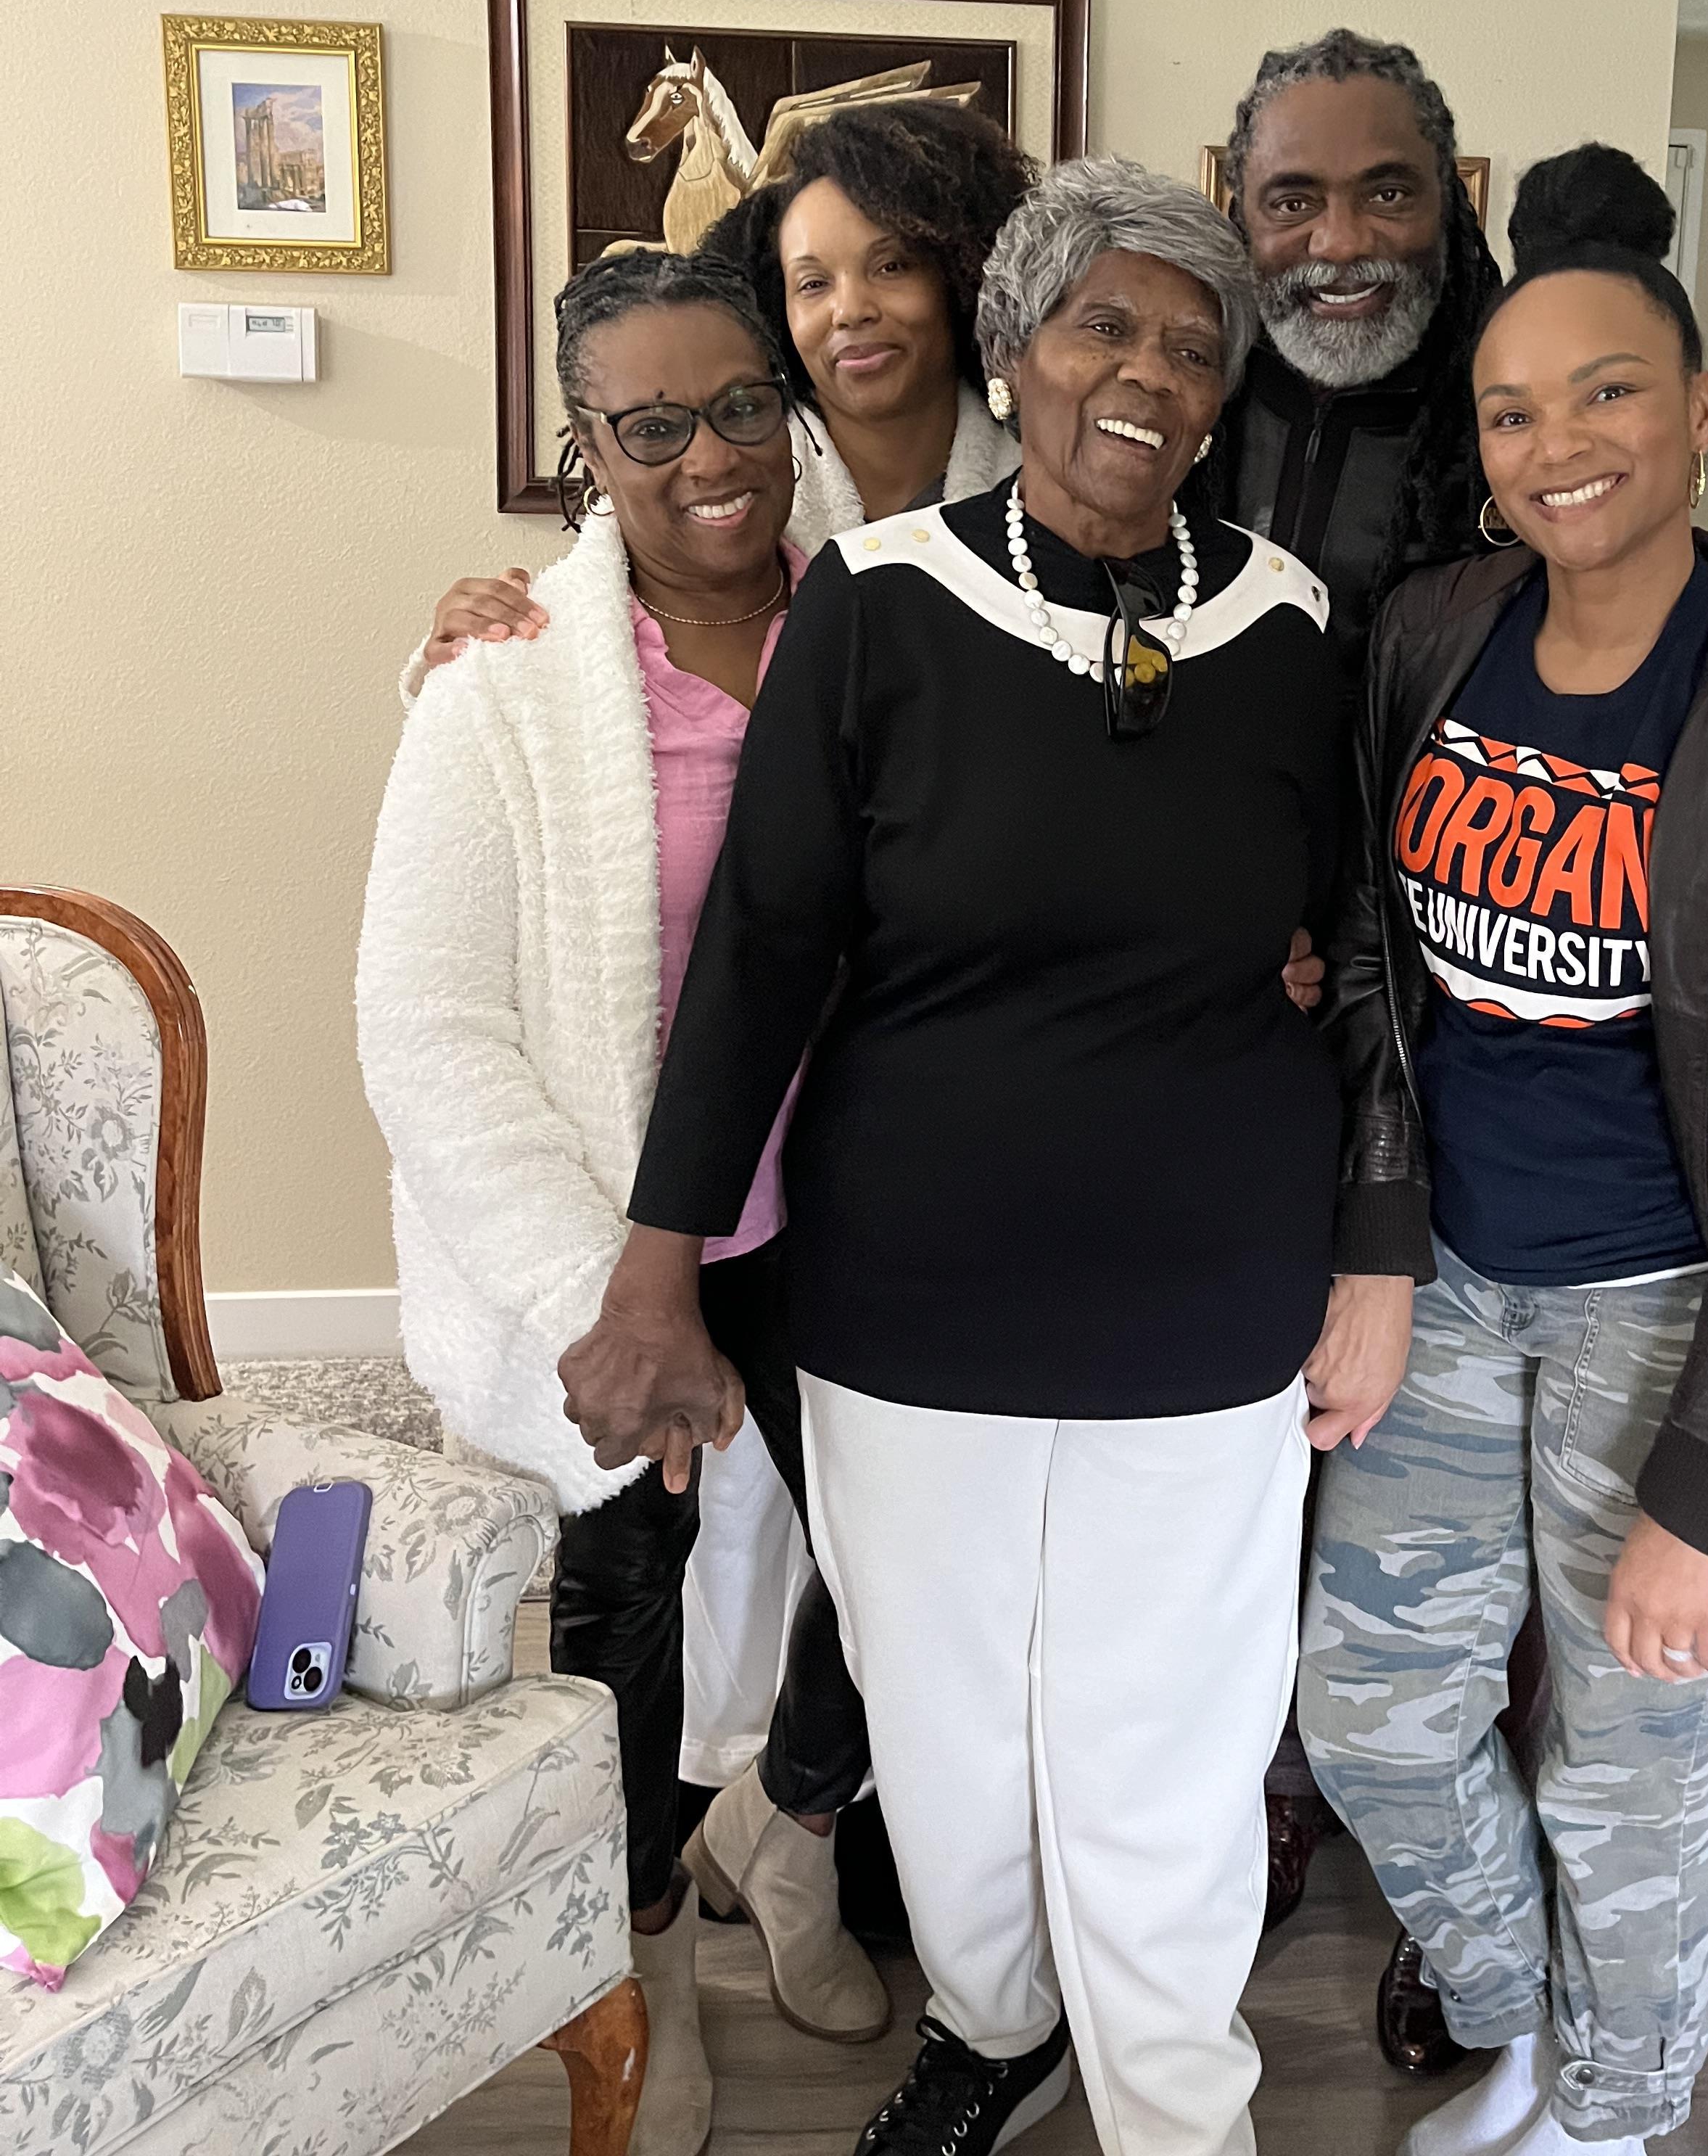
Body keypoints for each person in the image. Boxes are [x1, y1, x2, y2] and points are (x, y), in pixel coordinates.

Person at [557, 160, 1398, 2156]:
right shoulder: (884, 600)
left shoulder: (1294, 624)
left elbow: (1354, 945)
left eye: (1197, 347)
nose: (1151, 374)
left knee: (1173, 1739)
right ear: (1018, 351)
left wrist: (1377, 1244)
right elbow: (760, 956)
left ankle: (1180, 2105)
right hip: (911, 1291)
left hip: (1216, 1287)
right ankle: (1002, 2020)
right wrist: (658, 1264)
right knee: (946, 1725)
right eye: (1106, 324)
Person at [1217, 40, 1708, 1962]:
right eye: (1519, 414)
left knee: (1624, 1759)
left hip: (1670, 1292)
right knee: (1373, 1706)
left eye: (1608, 395)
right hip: (1435, 1244)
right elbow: (1384, 916)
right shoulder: (1389, 580)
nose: (1557, 441)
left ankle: (1604, 2090)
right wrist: (1381, 1237)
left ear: (1700, 407)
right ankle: (1513, 2007)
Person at [358, 251, 889, 2156]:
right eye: (650, 426)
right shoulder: (504, 684)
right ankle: (644, 1926)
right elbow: (423, 1028)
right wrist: (604, 1296)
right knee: (629, 1600)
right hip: (629, 1239)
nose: (712, 457)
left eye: (743, 402)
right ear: (588, 447)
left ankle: (795, 1829)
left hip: (856, 1216)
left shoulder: (890, 624)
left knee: (899, 1578)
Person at [418, 95, 1029, 668]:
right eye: (813, 283)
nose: (849, 310)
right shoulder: (723, 476)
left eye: (891, 266)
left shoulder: (1039, 483)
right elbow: (586, 643)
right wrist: (478, 646)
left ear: (963, 276)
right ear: (778, 307)